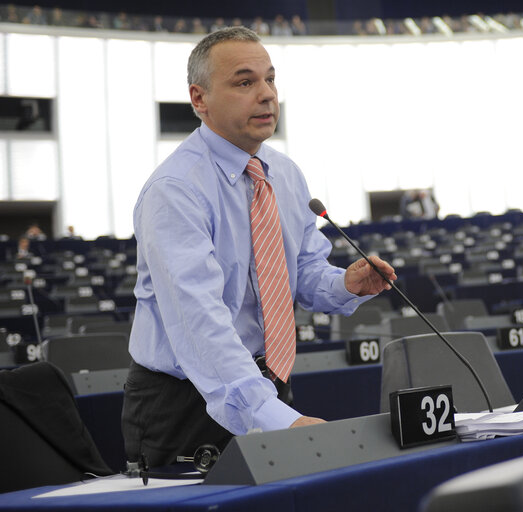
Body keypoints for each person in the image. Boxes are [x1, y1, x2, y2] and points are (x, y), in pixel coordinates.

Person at [122, 26, 396, 468]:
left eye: (271, 79)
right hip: (185, 401)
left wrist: (345, 283)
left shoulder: (284, 175)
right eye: (245, 82)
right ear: (199, 99)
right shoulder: (175, 191)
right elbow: (199, 321)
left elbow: (303, 272)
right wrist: (274, 417)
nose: (267, 95)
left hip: (264, 384)